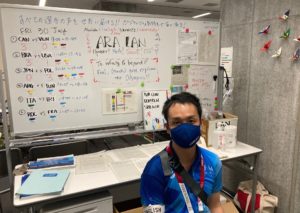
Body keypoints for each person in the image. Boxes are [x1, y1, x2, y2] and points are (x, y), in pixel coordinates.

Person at [140, 92, 223, 213]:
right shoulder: (154, 170)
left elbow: (215, 206)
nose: (185, 127)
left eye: (191, 120)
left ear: (201, 123)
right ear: (167, 128)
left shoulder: (213, 162)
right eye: (176, 122)